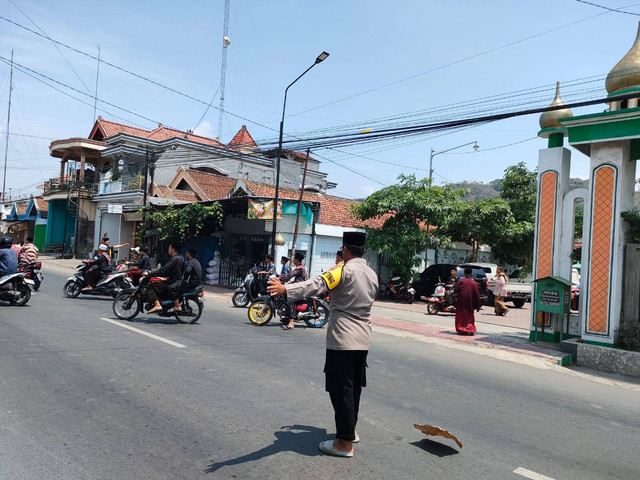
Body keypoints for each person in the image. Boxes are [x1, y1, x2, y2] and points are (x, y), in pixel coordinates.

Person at [267, 232, 378, 458]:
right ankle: (351, 430)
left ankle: (344, 443)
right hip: (363, 339)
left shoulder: (343, 270)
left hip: (343, 339)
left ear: (345, 250)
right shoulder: (371, 273)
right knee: (354, 388)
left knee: (341, 390)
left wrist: (285, 289)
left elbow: (317, 285)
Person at [144, 242, 184, 314]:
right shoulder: (180, 258)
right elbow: (168, 271)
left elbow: (163, 271)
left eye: (169, 248)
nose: (168, 250)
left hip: (172, 283)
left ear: (172, 249)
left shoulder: (174, 259)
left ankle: (157, 305)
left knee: (150, 286)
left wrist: (151, 273)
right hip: (176, 282)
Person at [279, 251, 309, 330]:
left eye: (294, 259)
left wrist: (280, 278)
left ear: (297, 260)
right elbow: (296, 280)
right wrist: (287, 283)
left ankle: (291, 323)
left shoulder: (299, 268)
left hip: (301, 288)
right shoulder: (300, 267)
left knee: (290, 301)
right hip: (299, 287)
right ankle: (287, 317)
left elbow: (289, 275)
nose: (293, 260)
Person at [454, 266, 481, 335]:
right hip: (470, 303)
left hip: (461, 302)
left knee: (461, 316)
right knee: (469, 317)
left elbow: (456, 290)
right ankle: (470, 329)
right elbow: (477, 295)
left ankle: (461, 329)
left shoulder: (461, 281)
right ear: (471, 274)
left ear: (464, 273)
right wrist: (478, 306)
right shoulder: (474, 283)